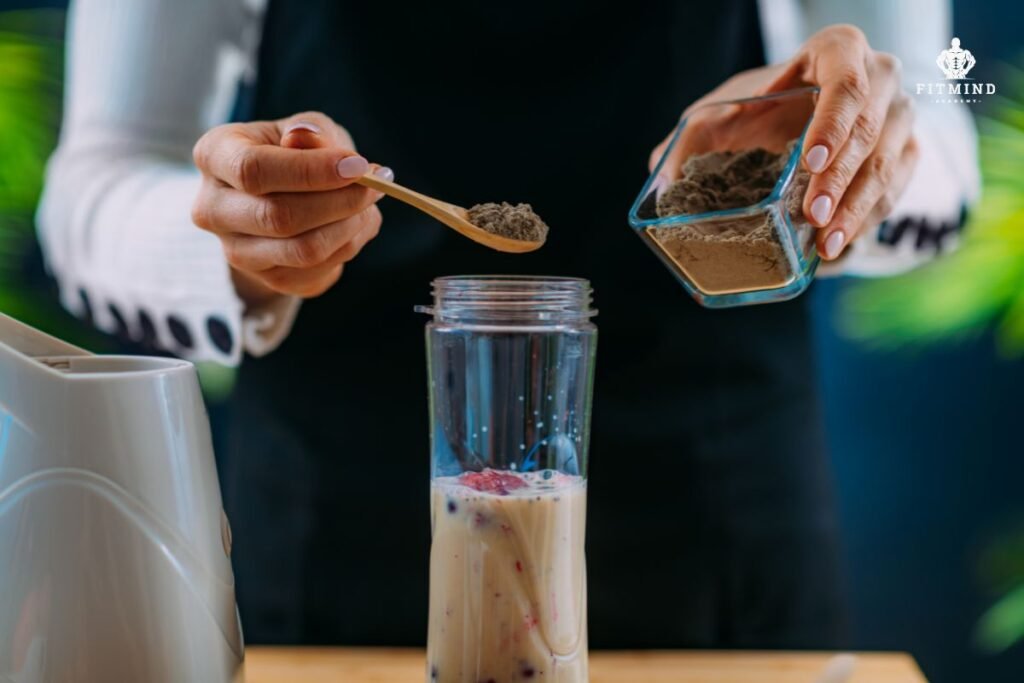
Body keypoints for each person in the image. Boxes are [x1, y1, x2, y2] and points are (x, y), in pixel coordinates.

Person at [38, 0, 977, 647]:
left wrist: (847, 164)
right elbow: (97, 180)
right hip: (342, 522)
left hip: (717, 516)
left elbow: (935, 142)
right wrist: (238, 242)